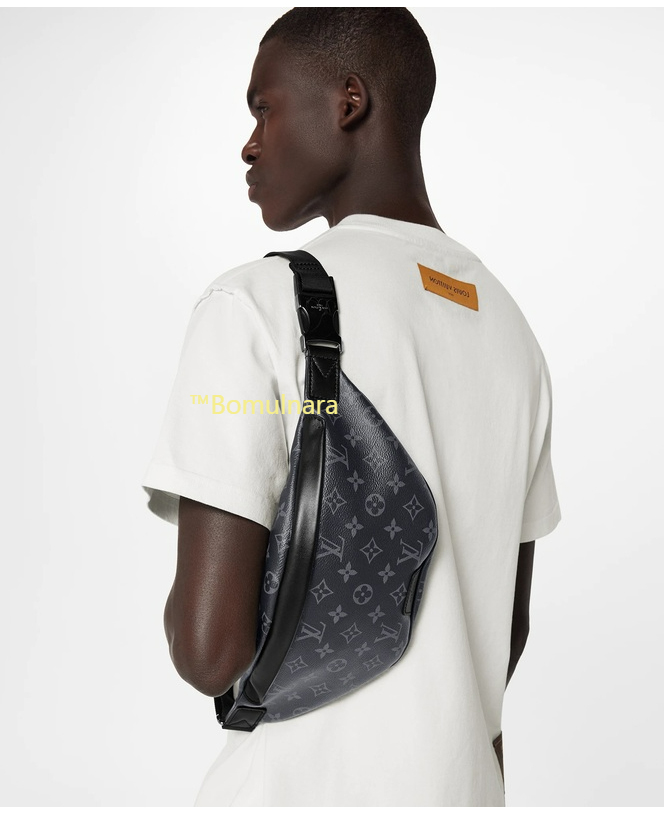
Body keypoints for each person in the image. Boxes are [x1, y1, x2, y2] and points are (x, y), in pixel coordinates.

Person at [142, 7, 560, 806]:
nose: (250, 144)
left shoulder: (255, 304)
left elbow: (207, 651)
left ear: (350, 102)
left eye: (264, 108)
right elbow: (503, 633)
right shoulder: (513, 333)